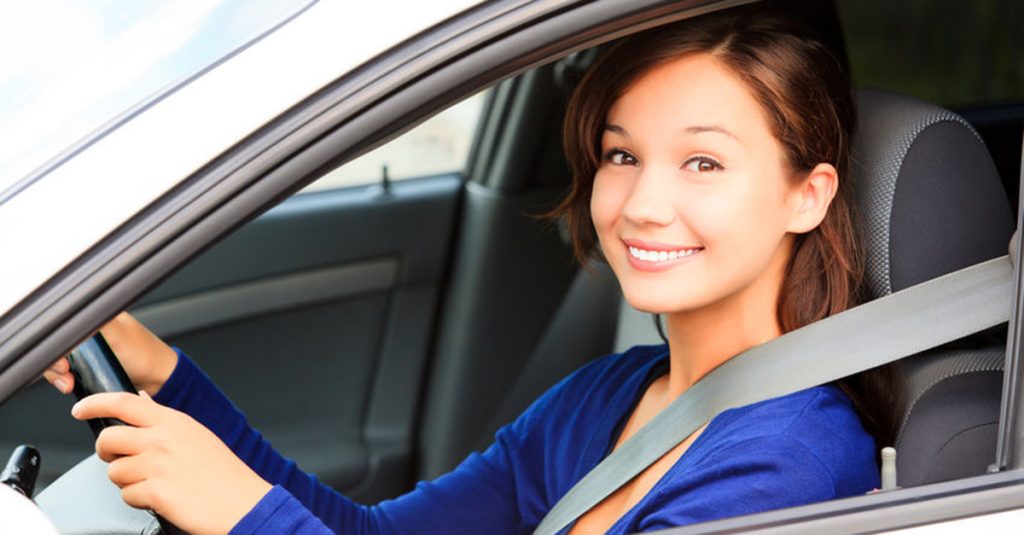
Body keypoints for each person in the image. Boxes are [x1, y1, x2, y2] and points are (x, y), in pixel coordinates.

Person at [45, 5, 899, 534]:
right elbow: (373, 534)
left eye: (703, 163)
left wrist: (243, 514)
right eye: (621, 154)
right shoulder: (609, 395)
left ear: (808, 195)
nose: (641, 204)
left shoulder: (790, 466)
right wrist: (170, 379)